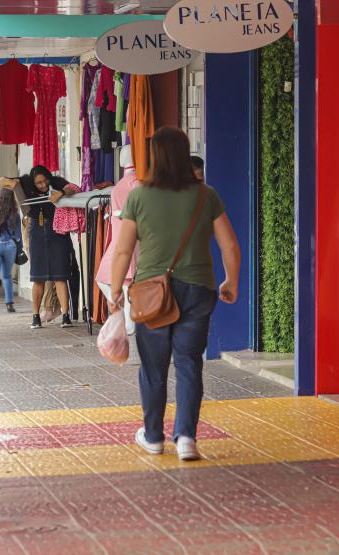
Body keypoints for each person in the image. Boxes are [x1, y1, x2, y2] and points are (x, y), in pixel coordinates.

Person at [109, 127, 240, 462]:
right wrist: (231, 281)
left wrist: (115, 290)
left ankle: (153, 437)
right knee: (188, 363)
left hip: (151, 293)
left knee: (153, 368)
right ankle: (186, 439)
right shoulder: (206, 195)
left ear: (154, 157)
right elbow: (229, 244)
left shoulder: (138, 196)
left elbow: (122, 251)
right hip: (198, 290)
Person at [0, 166, 75, 329]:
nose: (43, 185)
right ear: (33, 182)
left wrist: (61, 193)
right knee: (38, 277)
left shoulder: (56, 182)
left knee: (60, 276)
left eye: (45, 180)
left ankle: (66, 315)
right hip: (36, 231)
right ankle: (35, 316)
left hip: (57, 229)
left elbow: (72, 188)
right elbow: (2, 180)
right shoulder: (26, 183)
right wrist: (14, 185)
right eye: (39, 183)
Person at [97, 145, 140, 335]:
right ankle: (126, 315)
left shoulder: (132, 182)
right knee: (114, 278)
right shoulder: (132, 182)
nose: (122, 156)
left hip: (125, 234)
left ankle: (128, 318)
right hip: (123, 233)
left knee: (119, 278)